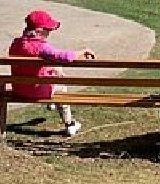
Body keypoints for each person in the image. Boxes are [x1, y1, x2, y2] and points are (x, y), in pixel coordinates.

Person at [8, 9, 96, 137]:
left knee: (55, 70)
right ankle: (69, 123)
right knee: (61, 87)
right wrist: (82, 52)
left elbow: (27, 67)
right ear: (38, 31)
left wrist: (52, 69)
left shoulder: (16, 44)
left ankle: (53, 104)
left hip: (19, 89)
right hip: (37, 90)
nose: (49, 33)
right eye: (47, 30)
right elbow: (63, 56)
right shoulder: (41, 47)